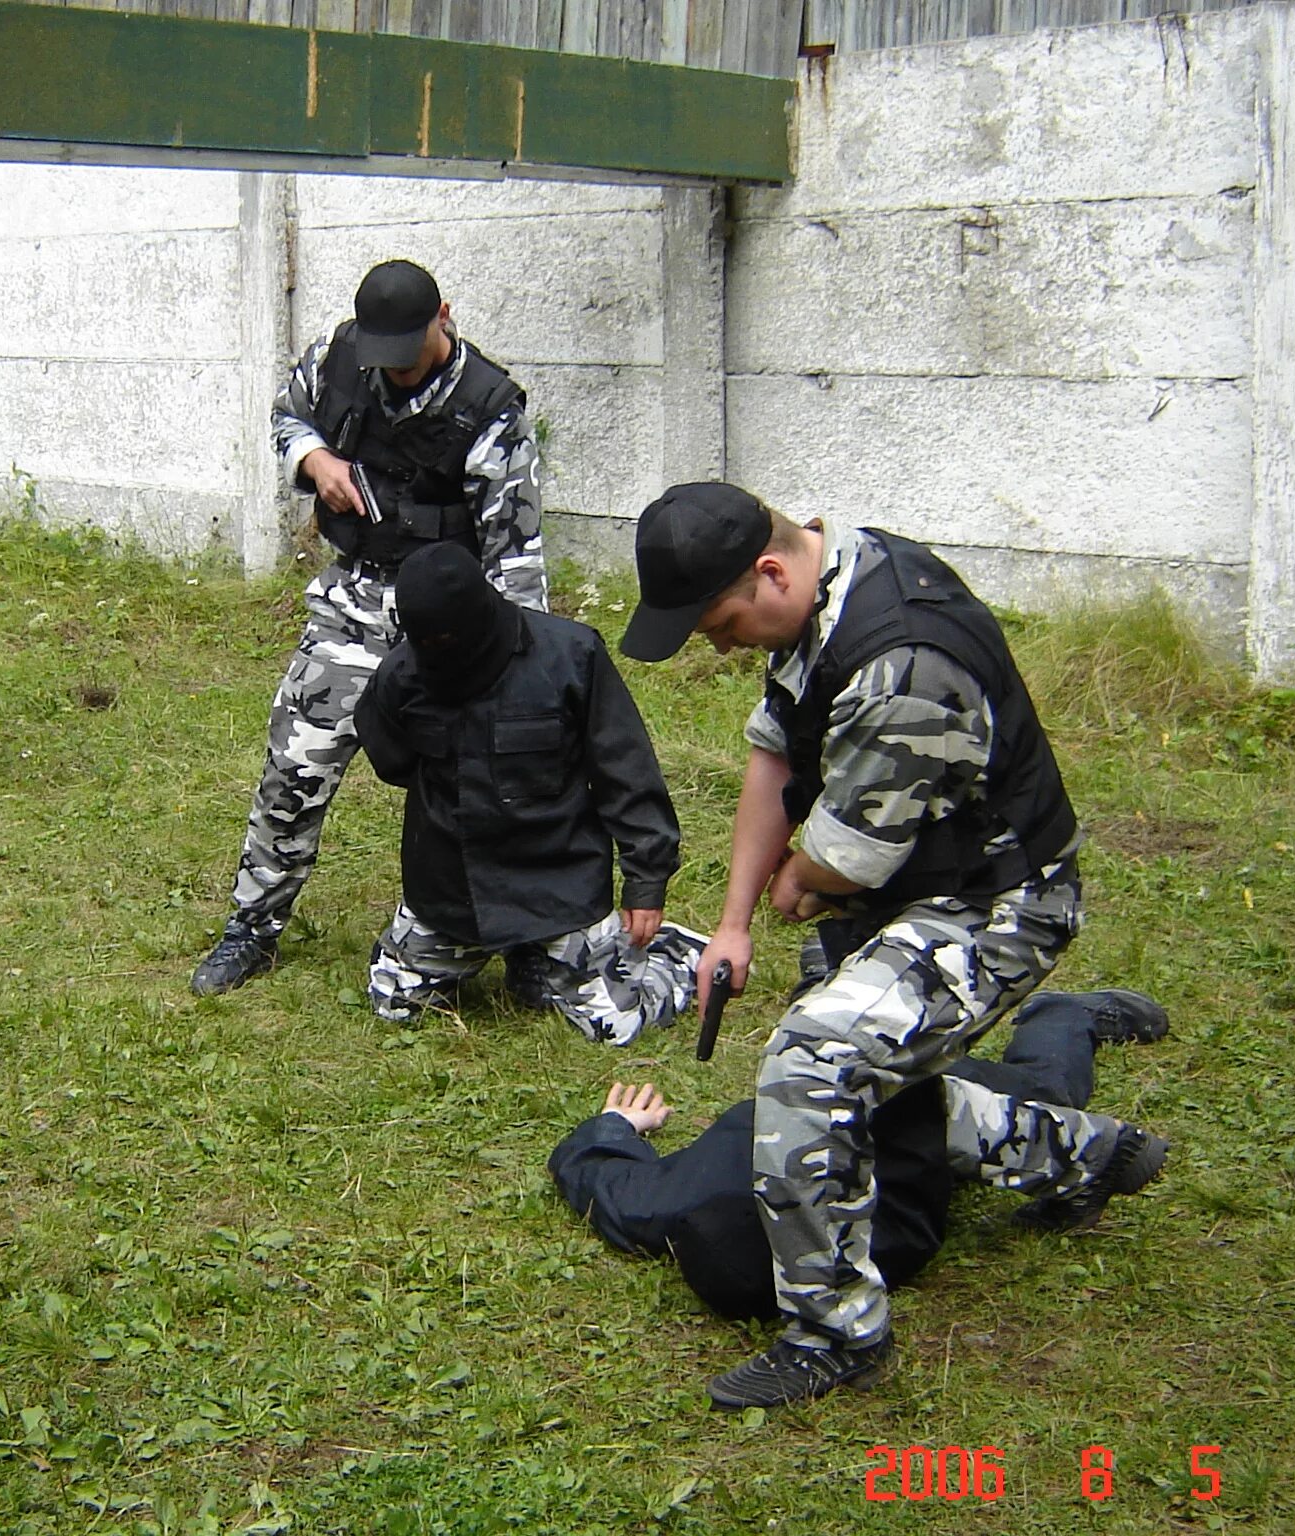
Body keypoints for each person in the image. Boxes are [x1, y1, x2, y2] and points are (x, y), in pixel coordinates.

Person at [617, 481, 1168, 1410]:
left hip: (998, 905)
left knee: (814, 1064)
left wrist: (793, 884)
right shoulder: (826, 590)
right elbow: (775, 757)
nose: (718, 645)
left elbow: (839, 860)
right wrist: (734, 922)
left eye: (718, 623)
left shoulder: (902, 660)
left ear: (770, 569)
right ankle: (1084, 1155)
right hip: (917, 883)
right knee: (869, 1081)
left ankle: (834, 1333)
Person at [190, 259, 550, 1002]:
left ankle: (521, 936)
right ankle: (251, 930)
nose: (391, 375)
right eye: (379, 358)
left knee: (483, 789)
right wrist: (315, 459)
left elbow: (516, 560)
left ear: (442, 317)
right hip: (352, 603)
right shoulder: (340, 358)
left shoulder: (490, 410)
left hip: (452, 628)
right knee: (294, 769)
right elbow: (287, 414)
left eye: (406, 358)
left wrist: (523, 675)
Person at [548, 989, 1171, 1321]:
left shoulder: (668, 1207)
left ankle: (1063, 1014)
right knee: (1013, 1121)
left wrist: (616, 1125)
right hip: (855, 1109)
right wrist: (615, 1125)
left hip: (871, 1099)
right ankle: (842, 981)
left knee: (1045, 1100)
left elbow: (588, 1172)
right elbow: (589, 1171)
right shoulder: (672, 1207)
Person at [353, 543, 697, 1041]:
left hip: (558, 884)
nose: (438, 648)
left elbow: (626, 770)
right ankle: (521, 960)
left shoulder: (571, 655)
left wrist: (647, 882)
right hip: (451, 893)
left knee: (612, 1026)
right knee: (394, 1005)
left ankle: (676, 952)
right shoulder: (403, 675)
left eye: (449, 635)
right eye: (426, 639)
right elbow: (392, 758)